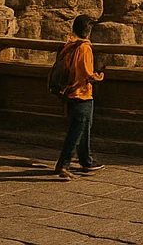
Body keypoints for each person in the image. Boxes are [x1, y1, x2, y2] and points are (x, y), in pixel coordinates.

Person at [52, 14, 105, 180]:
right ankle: (63, 164)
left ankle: (86, 161)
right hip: (81, 94)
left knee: (84, 128)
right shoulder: (84, 48)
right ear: (88, 30)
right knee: (77, 131)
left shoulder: (69, 44)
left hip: (69, 93)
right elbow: (86, 74)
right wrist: (99, 76)